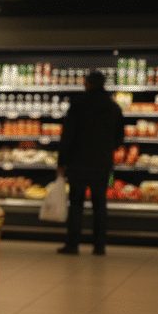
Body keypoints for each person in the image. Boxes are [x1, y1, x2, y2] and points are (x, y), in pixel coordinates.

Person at [57, 70, 125, 255]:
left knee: (76, 204)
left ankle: (73, 244)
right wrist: (108, 149)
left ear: (88, 84)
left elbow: (68, 136)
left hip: (78, 162)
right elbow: (120, 137)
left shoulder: (78, 106)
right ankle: (99, 245)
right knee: (100, 204)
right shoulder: (113, 107)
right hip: (103, 163)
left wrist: (61, 162)